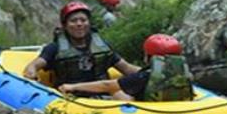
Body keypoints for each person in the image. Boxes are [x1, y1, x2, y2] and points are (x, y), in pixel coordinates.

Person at [23, 1, 140, 86]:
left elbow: (127, 68)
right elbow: (33, 66)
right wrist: (31, 74)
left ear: (89, 24)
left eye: (83, 20)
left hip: (102, 94)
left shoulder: (103, 46)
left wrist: (148, 72)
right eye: (73, 21)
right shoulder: (54, 48)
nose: (79, 24)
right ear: (65, 25)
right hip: (69, 97)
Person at [58, 34, 194, 102]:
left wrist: (73, 87)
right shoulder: (186, 75)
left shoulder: (142, 77)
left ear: (148, 57)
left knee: (115, 91)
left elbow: (107, 85)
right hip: (178, 111)